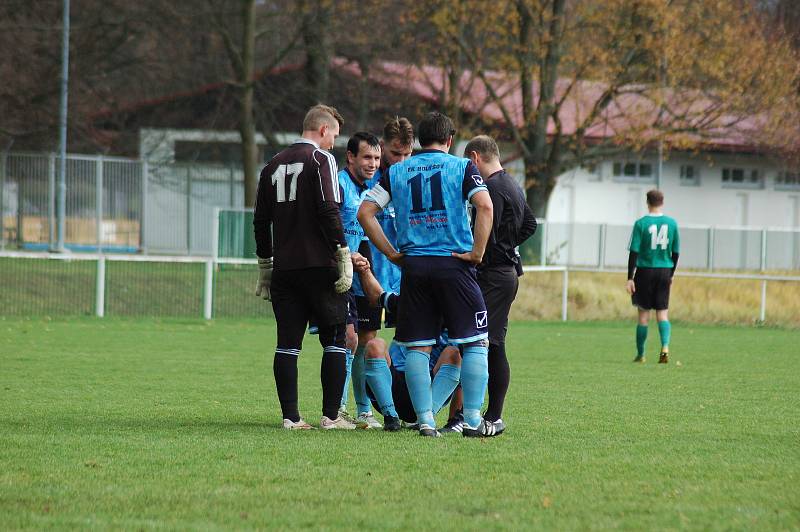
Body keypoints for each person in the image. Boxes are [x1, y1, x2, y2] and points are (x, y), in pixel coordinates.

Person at [358, 111, 495, 438]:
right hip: (454, 263)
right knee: (476, 341)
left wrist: (392, 254)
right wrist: (477, 253)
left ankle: (425, 420)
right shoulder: (462, 167)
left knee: (416, 347)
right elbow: (486, 207)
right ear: (450, 140)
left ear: (419, 141)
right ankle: (473, 420)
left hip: (415, 267)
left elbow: (365, 212)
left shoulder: (399, 170)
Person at [252, 104, 356, 430]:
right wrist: (342, 252)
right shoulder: (321, 160)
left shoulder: (271, 165)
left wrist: (265, 263)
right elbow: (328, 210)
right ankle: (331, 416)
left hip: (285, 269)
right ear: (323, 130)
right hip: (320, 264)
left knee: (287, 342)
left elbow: (259, 221)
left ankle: (291, 417)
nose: (334, 144)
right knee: (335, 337)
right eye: (334, 136)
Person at [459, 135, 538, 435]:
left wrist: (493, 248)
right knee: (493, 344)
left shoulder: (490, 188)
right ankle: (491, 415)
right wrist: (508, 245)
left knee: (483, 343)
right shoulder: (513, 184)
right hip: (507, 274)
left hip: (493, 274)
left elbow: (485, 230)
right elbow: (529, 224)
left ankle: (485, 417)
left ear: (476, 158)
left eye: (470, 163)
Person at [335, 131, 383, 429]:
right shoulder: (337, 184)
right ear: (350, 156)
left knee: (366, 339)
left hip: (363, 272)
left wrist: (369, 272)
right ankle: (337, 409)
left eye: (377, 158)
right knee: (348, 338)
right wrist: (345, 255)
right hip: (338, 272)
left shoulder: (373, 189)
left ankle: (364, 411)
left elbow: (366, 235)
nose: (373, 163)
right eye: (367, 157)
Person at [626, 189, 680, 364]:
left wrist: (630, 278)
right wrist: (671, 274)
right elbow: (676, 252)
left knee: (643, 317)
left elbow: (634, 252)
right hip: (664, 271)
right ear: (662, 202)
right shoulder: (672, 224)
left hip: (645, 271)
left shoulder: (641, 223)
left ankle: (641, 354)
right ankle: (664, 348)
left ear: (647, 202)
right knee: (662, 315)